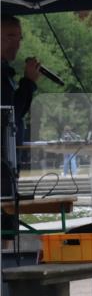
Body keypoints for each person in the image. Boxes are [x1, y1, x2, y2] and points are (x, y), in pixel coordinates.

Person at [1, 15, 42, 243]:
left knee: (7, 225)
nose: (16, 43)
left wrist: (28, 83)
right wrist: (28, 82)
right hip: (2, 165)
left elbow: (15, 115)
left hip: (8, 164)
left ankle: (5, 274)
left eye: (19, 37)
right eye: (9, 36)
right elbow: (9, 113)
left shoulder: (6, 72)